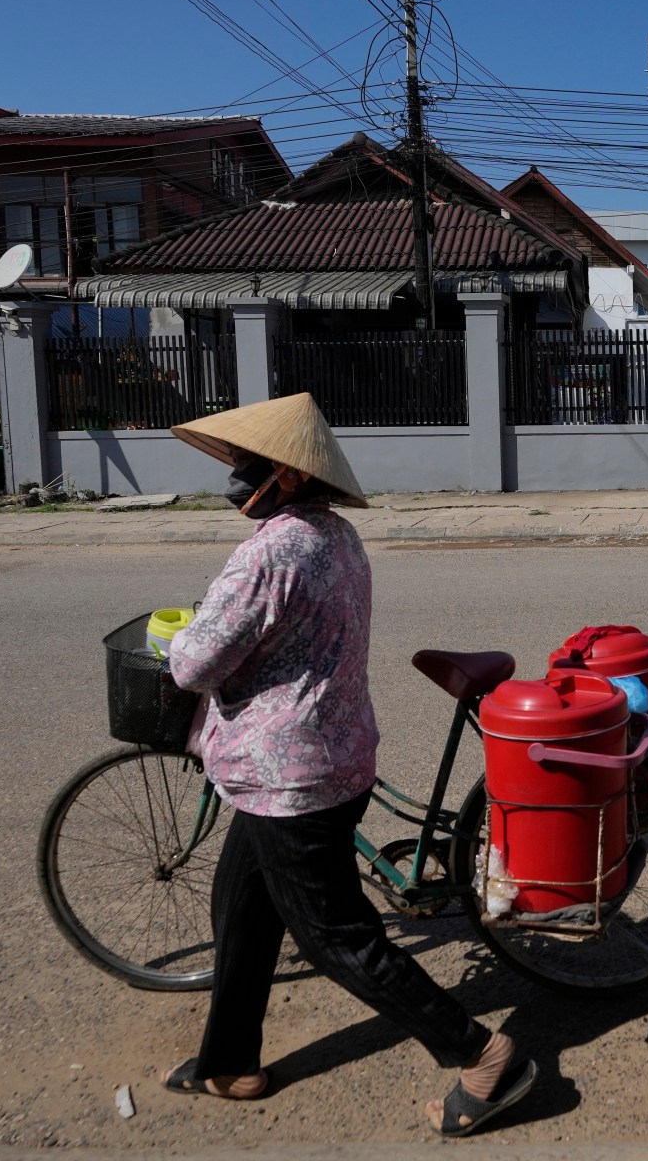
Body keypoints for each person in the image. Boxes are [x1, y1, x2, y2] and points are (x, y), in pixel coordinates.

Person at [158, 392, 536, 1138]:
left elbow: (195, 663)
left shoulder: (272, 550)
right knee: (240, 911)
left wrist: (174, 641)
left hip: (290, 776)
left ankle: (486, 1056)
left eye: (250, 464)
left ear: (291, 477)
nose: (238, 477)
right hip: (322, 754)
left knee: (339, 940)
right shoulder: (336, 535)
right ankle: (229, 1061)